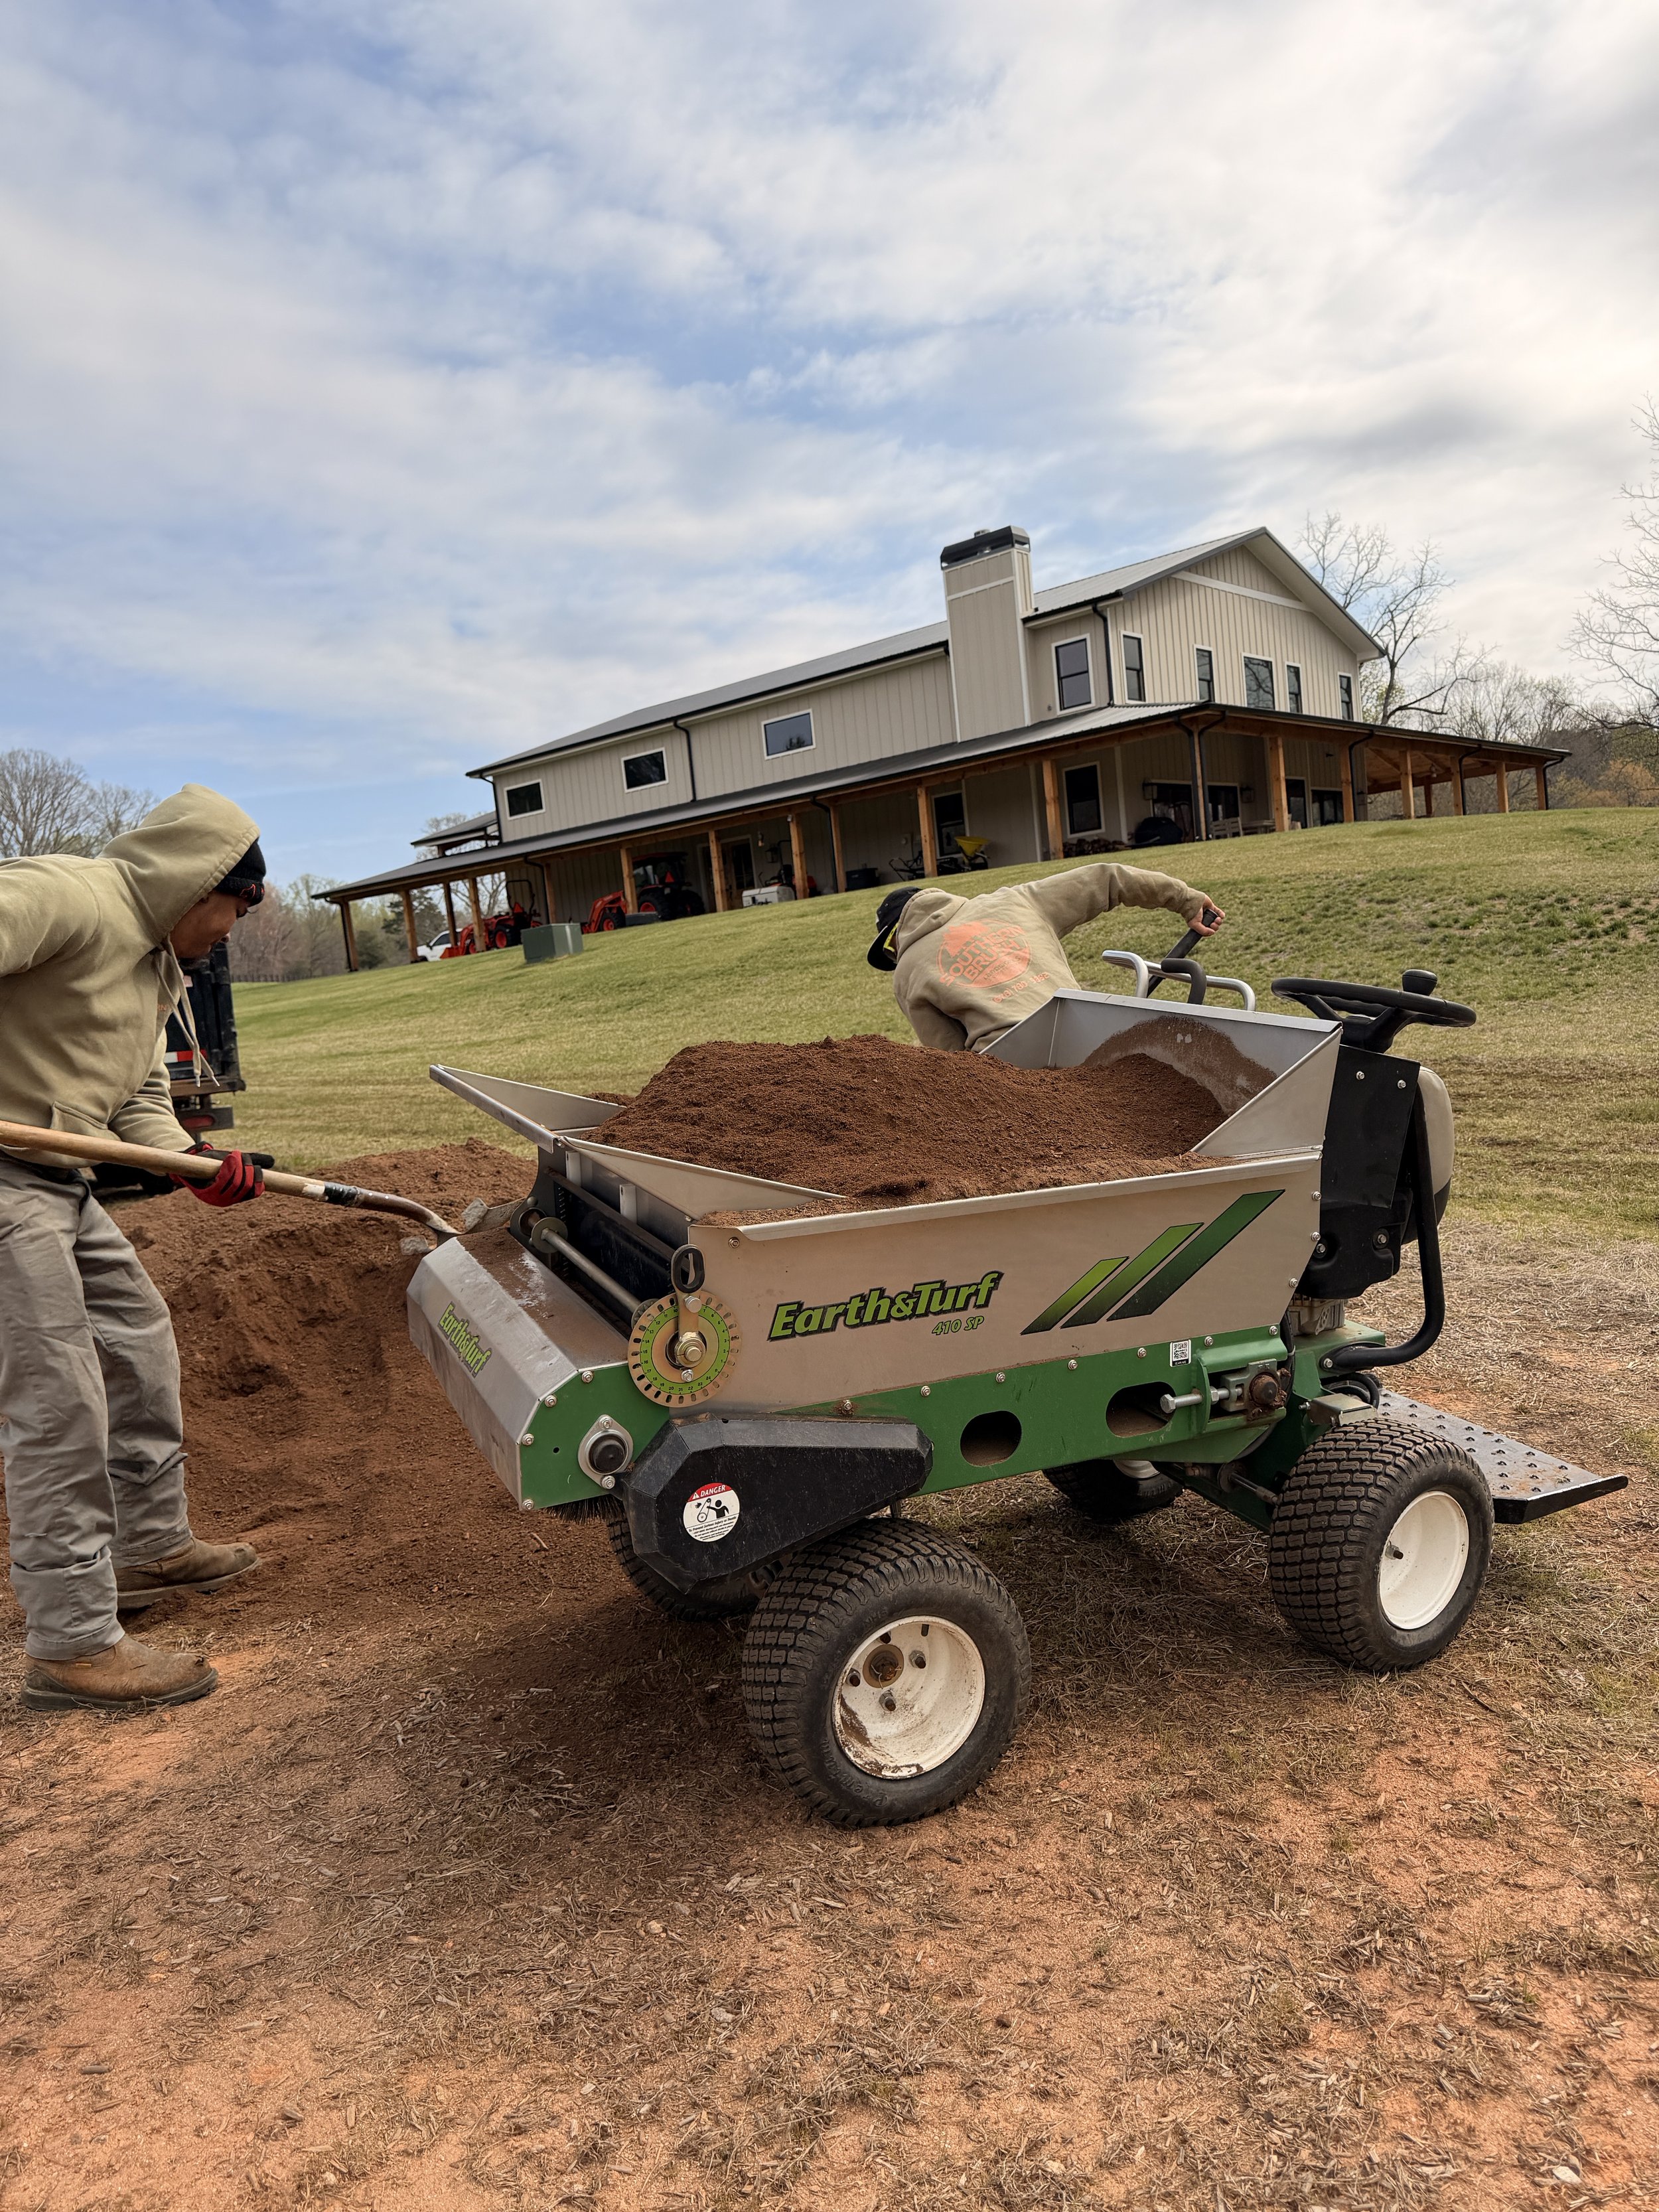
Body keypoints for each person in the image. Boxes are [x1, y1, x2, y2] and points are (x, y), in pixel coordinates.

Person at [0, 784, 269, 1714]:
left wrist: (194, 1163)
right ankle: (72, 1642)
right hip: (2, 1179)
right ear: (201, 886)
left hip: (61, 1174)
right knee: (55, 1396)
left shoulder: (157, 966)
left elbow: (136, 1103)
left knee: (140, 1346)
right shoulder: (68, 895)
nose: (229, 929)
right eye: (232, 909)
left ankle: (149, 1547)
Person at [867, 857, 1224, 1053]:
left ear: (894, 938)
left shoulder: (908, 972)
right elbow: (1107, 879)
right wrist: (1186, 900)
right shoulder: (1012, 901)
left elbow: (949, 1058)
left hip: (1009, 1065)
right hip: (1086, 1029)